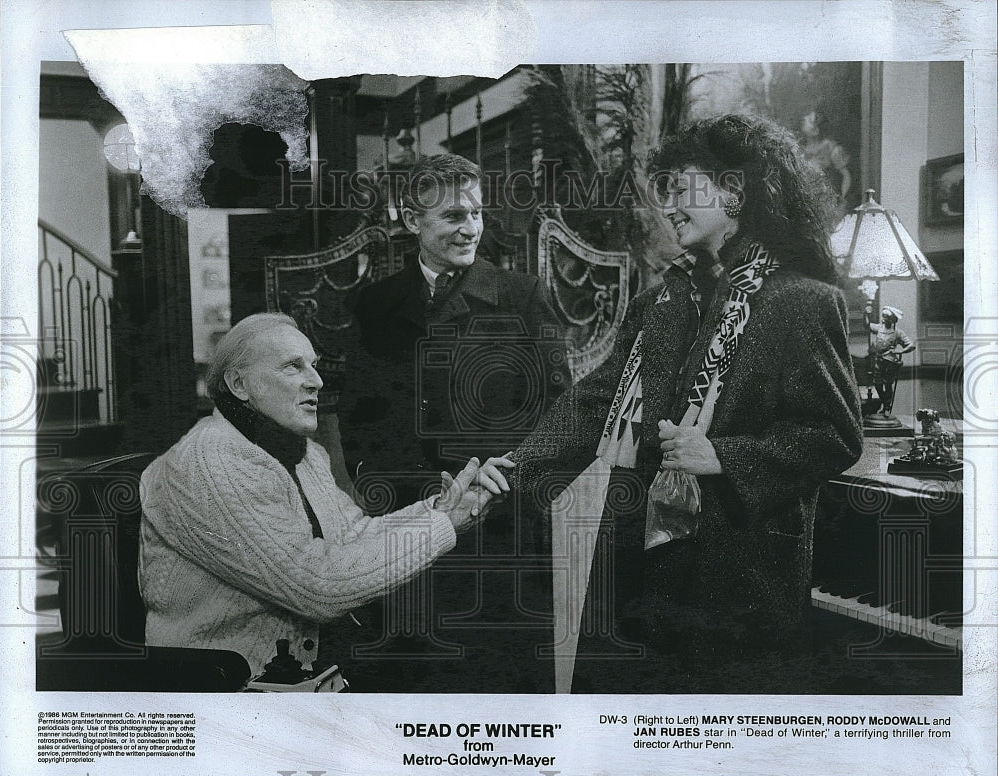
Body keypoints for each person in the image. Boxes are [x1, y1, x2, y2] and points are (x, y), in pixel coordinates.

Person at [503, 114, 864, 693]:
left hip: (742, 568)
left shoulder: (802, 301)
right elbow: (596, 398)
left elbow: (834, 436)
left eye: (680, 188)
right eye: (662, 191)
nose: (667, 206)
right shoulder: (661, 301)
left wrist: (721, 454)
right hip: (644, 557)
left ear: (734, 190)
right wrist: (515, 464)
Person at [138, 312, 503, 678]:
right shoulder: (210, 462)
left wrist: (443, 509)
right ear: (239, 384)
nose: (317, 381)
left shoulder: (302, 452)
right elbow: (317, 586)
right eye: (293, 367)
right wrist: (442, 526)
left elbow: (352, 535)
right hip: (221, 687)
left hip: (297, 676)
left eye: (313, 365)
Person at [336, 153, 570, 692]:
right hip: (407, 522)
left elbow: (560, 413)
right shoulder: (376, 304)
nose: (470, 229)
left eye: (476, 214)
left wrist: (503, 479)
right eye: (452, 217)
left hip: (500, 526)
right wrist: (392, 490)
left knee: (497, 679)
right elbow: (359, 418)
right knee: (409, 680)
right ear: (413, 221)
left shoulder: (522, 297)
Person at [864, 304, 915, 418]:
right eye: (883, 316)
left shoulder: (898, 333)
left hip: (890, 362)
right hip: (879, 360)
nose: (884, 318)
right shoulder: (879, 328)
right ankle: (884, 402)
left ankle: (887, 407)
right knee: (877, 384)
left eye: (886, 317)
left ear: (892, 319)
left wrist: (899, 352)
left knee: (887, 385)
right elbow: (867, 325)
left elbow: (911, 345)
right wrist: (866, 314)